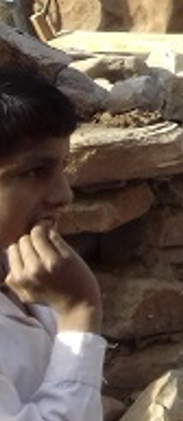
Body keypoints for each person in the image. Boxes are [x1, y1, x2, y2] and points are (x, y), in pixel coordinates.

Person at [0, 67, 104, 421]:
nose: (64, 195)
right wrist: (79, 312)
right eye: (34, 172)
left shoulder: (20, 271)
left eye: (63, 168)